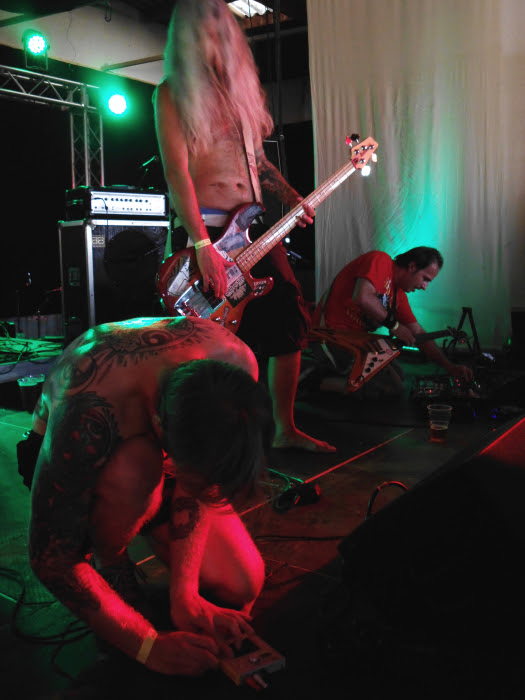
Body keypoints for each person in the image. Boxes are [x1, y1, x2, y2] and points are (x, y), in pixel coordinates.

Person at [24, 316, 276, 676]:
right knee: (136, 465)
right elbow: (49, 558)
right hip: (77, 461)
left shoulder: (237, 363)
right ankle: (111, 564)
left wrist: (185, 596)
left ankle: (153, 521)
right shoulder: (88, 407)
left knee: (243, 583)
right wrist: (148, 646)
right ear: (159, 427)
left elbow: (200, 481)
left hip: (156, 448)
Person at [154, 0, 335, 453]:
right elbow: (176, 173)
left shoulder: (238, 97)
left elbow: (258, 163)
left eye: (222, 28)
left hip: (251, 228)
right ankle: (200, 437)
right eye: (205, 29)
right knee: (210, 337)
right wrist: (201, 246)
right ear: (188, 38)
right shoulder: (172, 93)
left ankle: (285, 430)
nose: (215, 37)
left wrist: (291, 197)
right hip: (210, 231)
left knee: (289, 312)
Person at [312, 247, 473, 395]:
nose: (425, 286)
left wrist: (449, 366)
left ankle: (333, 377)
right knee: (391, 388)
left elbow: (417, 332)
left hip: (354, 342)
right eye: (425, 278)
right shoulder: (380, 260)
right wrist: (395, 326)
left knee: (400, 375)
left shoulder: (399, 296)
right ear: (412, 266)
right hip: (329, 337)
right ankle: (315, 382)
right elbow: (362, 297)